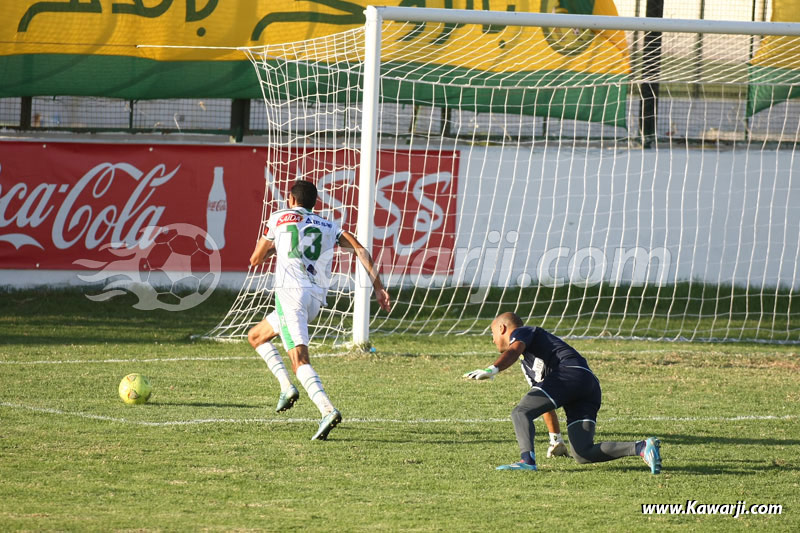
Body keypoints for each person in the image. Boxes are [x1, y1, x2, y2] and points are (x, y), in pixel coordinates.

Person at [248, 180, 391, 440]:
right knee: (257, 336)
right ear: (315, 203)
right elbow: (360, 249)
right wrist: (378, 288)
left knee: (299, 360)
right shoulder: (328, 225)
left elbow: (255, 259)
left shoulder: (279, 217)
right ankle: (286, 388)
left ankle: (327, 409)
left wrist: (275, 249)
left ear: (291, 200)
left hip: (290, 295)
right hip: (315, 299)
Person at [464, 312, 662, 473]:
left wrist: (493, 369)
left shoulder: (523, 332)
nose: (492, 340)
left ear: (502, 328)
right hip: (588, 386)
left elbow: (513, 352)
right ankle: (642, 447)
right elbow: (543, 403)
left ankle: (527, 461)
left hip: (569, 374)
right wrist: (555, 438)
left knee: (519, 412)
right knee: (583, 453)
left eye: (492, 334)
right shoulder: (529, 362)